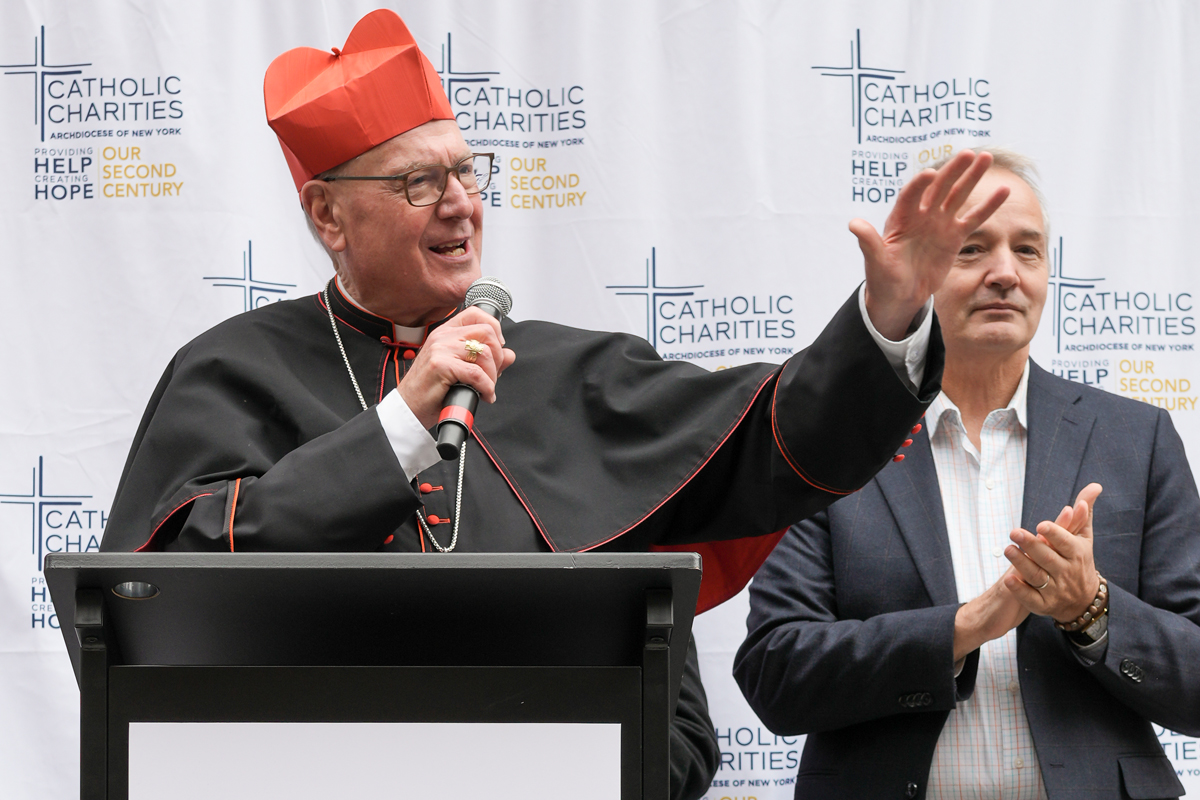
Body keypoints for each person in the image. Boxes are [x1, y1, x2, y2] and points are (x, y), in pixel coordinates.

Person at [99, 10, 1005, 799]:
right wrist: (402, 427)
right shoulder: (230, 371)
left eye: (466, 171)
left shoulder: (576, 372)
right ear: (328, 216)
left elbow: (770, 436)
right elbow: (171, 586)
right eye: (419, 182)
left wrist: (887, 322)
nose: (460, 204)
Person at [734, 149, 1200, 800]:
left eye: (1028, 250)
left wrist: (1090, 611)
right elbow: (775, 673)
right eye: (973, 249)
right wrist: (965, 627)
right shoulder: (833, 443)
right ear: (920, 275)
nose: (1006, 273)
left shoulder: (1136, 439)